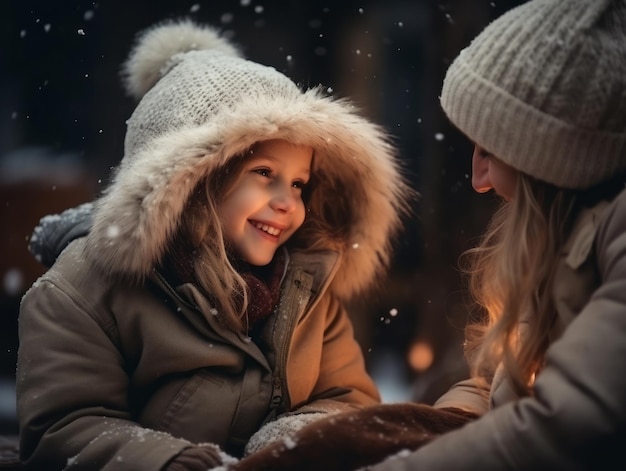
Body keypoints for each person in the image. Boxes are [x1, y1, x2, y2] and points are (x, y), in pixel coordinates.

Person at [222, 0, 626, 469]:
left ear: (551, 154)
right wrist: (430, 426)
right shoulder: (565, 236)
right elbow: (500, 382)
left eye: (492, 149)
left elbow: (565, 426)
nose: (478, 178)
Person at [15, 19, 414, 470]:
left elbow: (348, 399)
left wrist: (296, 437)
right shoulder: (84, 292)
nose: (289, 203)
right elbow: (64, 428)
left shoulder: (306, 290)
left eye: (300, 183)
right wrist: (177, 462)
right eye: (264, 174)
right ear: (191, 184)